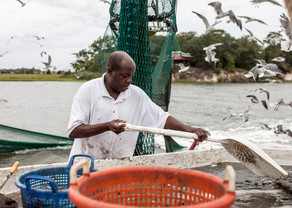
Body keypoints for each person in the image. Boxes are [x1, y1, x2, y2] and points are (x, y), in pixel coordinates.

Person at [67, 51, 209, 160]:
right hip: (85, 166)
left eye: (131, 76)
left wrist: (189, 130)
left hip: (118, 169)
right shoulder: (88, 90)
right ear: (110, 72)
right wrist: (107, 126)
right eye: (125, 76)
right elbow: (74, 131)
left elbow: (162, 118)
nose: (129, 80)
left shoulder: (137, 95)